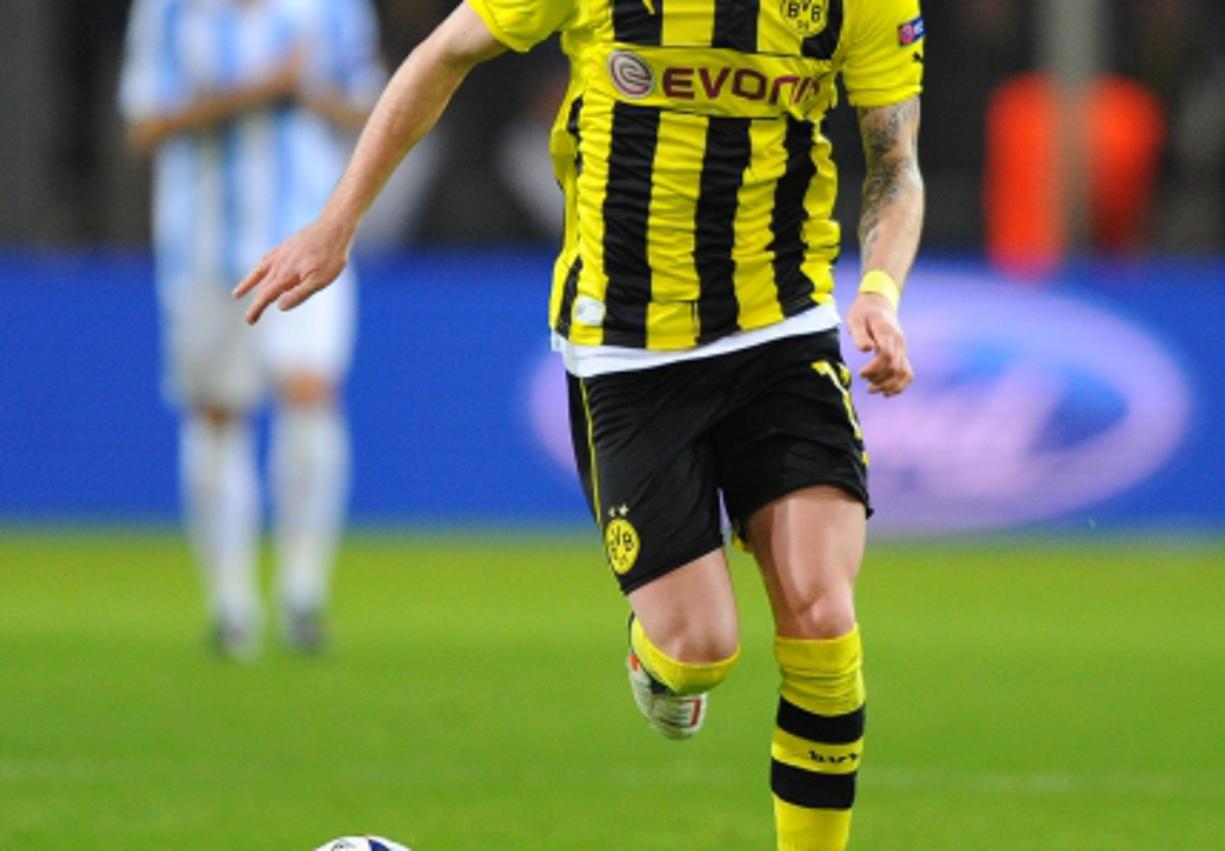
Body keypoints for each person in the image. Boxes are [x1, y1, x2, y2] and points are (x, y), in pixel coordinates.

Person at [236, 0, 923, 846]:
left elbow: (895, 160)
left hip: (781, 329)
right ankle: (662, 662)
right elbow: (443, 55)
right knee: (699, 649)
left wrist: (881, 293)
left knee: (822, 616)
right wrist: (338, 223)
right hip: (627, 347)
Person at [119, 0, 385, 658]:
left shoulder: (333, 8)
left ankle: (302, 593)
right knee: (218, 412)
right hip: (204, 244)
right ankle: (231, 603)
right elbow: (144, 125)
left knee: (309, 391)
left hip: (307, 238)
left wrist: (306, 93)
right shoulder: (171, 10)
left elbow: (376, 110)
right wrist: (254, 91)